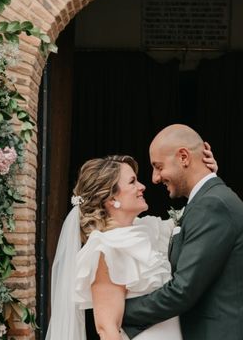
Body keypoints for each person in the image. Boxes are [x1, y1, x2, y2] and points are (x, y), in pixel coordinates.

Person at [46, 145, 217, 340]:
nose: (142, 186)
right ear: (112, 199)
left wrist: (205, 178)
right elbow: (107, 329)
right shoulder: (107, 250)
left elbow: (200, 217)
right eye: (132, 181)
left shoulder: (148, 229)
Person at [122, 124, 243, 339]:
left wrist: (117, 310)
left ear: (184, 157)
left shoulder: (211, 206)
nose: (155, 178)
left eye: (158, 166)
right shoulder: (208, 202)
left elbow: (181, 291)